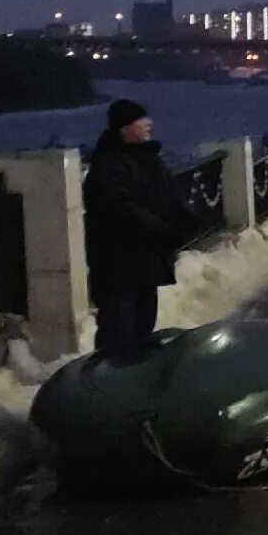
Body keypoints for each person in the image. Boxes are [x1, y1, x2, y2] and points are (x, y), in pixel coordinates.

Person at [82, 97, 190, 357]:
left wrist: (185, 217)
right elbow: (121, 208)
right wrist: (162, 229)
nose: (149, 123)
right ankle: (109, 375)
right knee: (119, 329)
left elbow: (167, 192)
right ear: (125, 128)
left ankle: (138, 371)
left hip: (145, 259)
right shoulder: (109, 163)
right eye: (141, 119)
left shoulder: (148, 158)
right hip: (119, 262)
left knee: (143, 324)